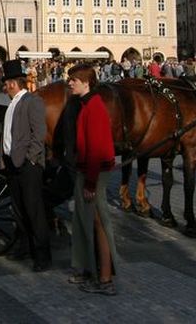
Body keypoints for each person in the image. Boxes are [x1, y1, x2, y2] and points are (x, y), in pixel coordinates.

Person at [67, 63, 118, 296]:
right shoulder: (85, 104)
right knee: (85, 221)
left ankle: (105, 278)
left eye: (74, 80)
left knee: (98, 222)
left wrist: (89, 183)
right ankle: (89, 269)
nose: (70, 83)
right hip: (86, 170)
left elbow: (97, 149)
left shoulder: (94, 106)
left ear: (86, 82)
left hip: (94, 173)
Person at [0, 59, 51, 272]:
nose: (4, 87)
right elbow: (6, 132)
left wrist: (30, 157)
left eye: (6, 83)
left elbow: (39, 134)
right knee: (18, 209)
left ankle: (43, 255)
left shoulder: (32, 101)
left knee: (34, 209)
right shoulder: (11, 104)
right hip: (12, 163)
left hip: (28, 165)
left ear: (13, 83)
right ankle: (24, 247)